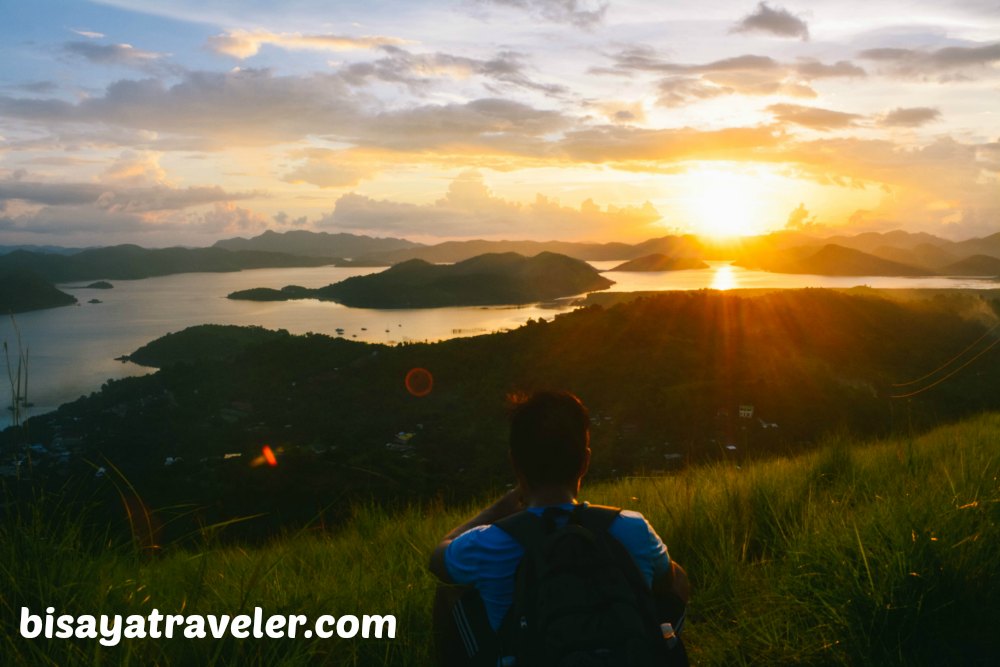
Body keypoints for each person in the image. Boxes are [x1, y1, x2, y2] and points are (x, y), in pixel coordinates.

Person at [429, 390, 690, 665]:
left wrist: (501, 508)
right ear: (585, 462)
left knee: (449, 592)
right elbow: (671, 583)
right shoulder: (631, 528)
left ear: (515, 464)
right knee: (674, 574)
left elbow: (438, 557)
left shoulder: (492, 543)